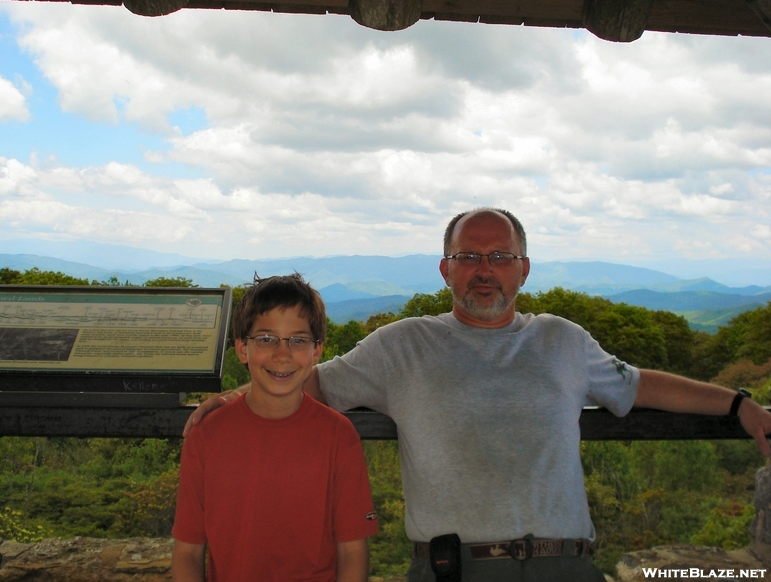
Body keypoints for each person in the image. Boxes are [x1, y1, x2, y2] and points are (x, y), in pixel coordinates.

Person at [184, 208, 771, 582]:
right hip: (450, 569)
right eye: (469, 256)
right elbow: (298, 376)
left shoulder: (562, 340)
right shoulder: (401, 346)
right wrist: (232, 402)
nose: (484, 269)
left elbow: (641, 385)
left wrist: (738, 404)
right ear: (445, 270)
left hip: (564, 567)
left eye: (499, 257)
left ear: (524, 269)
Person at [172, 274, 378, 582]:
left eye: (298, 340)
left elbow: (352, 552)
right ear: (242, 349)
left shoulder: (338, 435)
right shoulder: (207, 436)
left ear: (316, 352)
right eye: (266, 339)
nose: (282, 354)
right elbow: (188, 553)